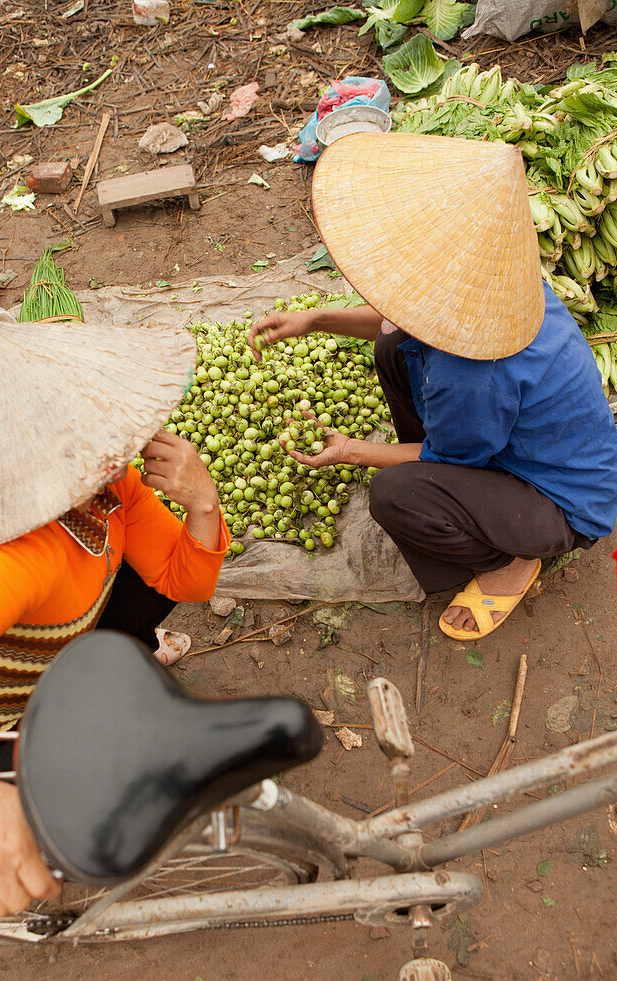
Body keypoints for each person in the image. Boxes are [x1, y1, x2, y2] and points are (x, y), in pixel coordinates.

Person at [0, 320, 229, 919]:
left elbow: (183, 580)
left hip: (55, 657)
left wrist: (203, 501)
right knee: (88, 815)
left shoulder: (111, 489)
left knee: (145, 588)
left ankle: (99, 686)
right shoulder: (17, 559)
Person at [250, 132, 617, 640]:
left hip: (557, 501)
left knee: (397, 494)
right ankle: (449, 470)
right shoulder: (493, 285)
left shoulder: (469, 373)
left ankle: (509, 558)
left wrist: (351, 451)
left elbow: (447, 455)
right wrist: (315, 319)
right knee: (390, 347)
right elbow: (399, 314)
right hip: (512, 439)